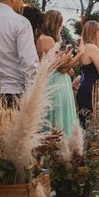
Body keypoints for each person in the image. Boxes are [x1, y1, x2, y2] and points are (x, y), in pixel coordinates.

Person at [37, 9, 82, 137]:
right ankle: (61, 150)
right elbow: (62, 67)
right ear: (55, 24)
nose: (61, 28)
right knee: (59, 117)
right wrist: (79, 54)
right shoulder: (48, 40)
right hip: (56, 83)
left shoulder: (43, 39)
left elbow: (69, 70)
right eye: (60, 24)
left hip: (56, 81)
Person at [76, 21, 99, 126]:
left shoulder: (84, 47)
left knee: (86, 123)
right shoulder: (92, 48)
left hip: (85, 88)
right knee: (93, 123)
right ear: (93, 32)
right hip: (92, 90)